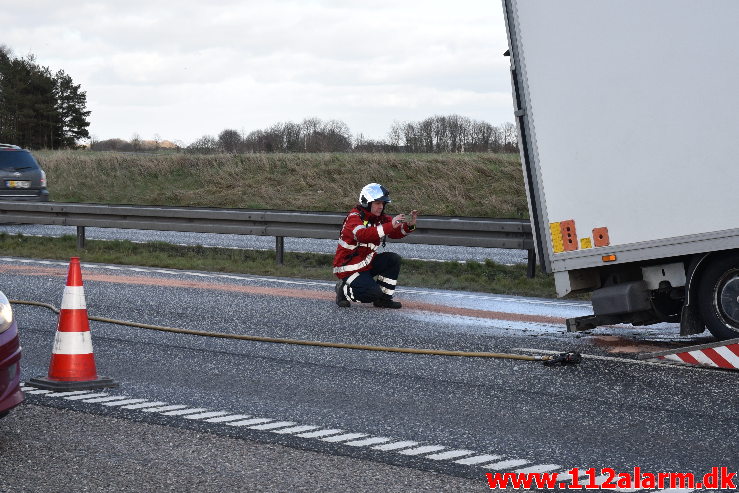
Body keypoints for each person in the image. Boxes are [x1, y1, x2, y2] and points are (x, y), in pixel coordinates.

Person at [333, 183, 418, 308]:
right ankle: (343, 291)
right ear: (366, 202)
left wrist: (409, 226)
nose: (381, 207)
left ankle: (383, 299)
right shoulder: (354, 218)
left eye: (383, 204)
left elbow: (396, 233)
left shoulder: (379, 218)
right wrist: (390, 225)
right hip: (348, 268)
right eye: (377, 203)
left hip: (366, 263)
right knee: (371, 293)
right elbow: (363, 235)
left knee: (393, 259)